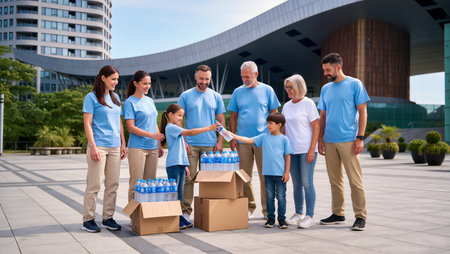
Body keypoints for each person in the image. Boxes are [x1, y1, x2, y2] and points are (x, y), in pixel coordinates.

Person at [318, 53, 370, 231]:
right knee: (335, 180)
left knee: (355, 180)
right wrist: (320, 139)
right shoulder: (325, 89)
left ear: (338, 67)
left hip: (349, 139)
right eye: (324, 69)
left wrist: (360, 137)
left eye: (328, 69)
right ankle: (338, 213)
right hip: (329, 140)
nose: (325, 73)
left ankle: (360, 216)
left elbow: (363, 112)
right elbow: (323, 116)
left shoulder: (355, 84)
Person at [228, 61, 280, 219]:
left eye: (247, 76)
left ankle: (268, 211)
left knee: (266, 177)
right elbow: (233, 116)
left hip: (264, 140)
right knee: (244, 176)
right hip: (243, 140)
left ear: (256, 74)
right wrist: (232, 137)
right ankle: (249, 207)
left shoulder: (267, 90)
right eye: (242, 76)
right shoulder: (237, 92)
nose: (244, 79)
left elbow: (275, 113)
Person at [177, 64, 226, 223]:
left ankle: (209, 211)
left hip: (210, 144)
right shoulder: (185, 96)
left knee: (209, 179)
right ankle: (185, 212)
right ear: (195, 77)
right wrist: (183, 140)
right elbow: (178, 120)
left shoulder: (216, 96)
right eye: (201, 78)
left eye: (207, 79)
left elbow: (221, 120)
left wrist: (220, 141)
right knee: (188, 178)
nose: (204, 81)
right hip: (190, 144)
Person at [81, 65, 127, 233]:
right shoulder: (91, 98)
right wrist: (93, 146)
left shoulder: (115, 99)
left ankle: (108, 217)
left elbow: (119, 123)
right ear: (103, 78)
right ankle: (88, 219)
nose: (116, 82)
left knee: (112, 184)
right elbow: (87, 123)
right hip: (99, 145)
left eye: (117, 79)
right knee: (94, 184)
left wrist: (123, 143)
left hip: (115, 146)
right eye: (113, 79)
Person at [160, 104, 219, 229]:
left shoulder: (175, 127)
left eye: (182, 116)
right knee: (174, 192)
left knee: (180, 192)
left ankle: (180, 215)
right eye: (179, 115)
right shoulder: (171, 127)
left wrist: (186, 166)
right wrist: (209, 128)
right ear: (170, 115)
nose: (181, 118)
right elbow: (191, 132)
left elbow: (181, 149)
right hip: (174, 164)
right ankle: (174, 217)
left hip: (180, 164)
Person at [229, 113, 292, 229]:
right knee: (269, 196)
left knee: (281, 197)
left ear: (279, 125)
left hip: (280, 175)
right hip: (267, 173)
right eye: (268, 123)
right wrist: (234, 136)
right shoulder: (264, 137)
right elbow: (248, 140)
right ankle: (270, 218)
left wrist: (287, 172)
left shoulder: (284, 140)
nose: (268, 125)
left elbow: (288, 156)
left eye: (271, 124)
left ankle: (282, 219)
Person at [281, 74, 320, 229]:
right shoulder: (286, 106)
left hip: (306, 150)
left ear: (299, 87)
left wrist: (312, 149)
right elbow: (284, 128)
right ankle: (299, 214)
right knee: (296, 184)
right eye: (287, 87)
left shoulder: (308, 104)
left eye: (291, 87)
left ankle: (310, 216)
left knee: (306, 183)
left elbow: (316, 126)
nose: (288, 90)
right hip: (292, 150)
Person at [124, 70, 165, 202]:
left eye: (149, 83)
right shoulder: (130, 102)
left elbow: (154, 123)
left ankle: (146, 216)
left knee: (150, 183)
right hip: (137, 148)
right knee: (136, 183)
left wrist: (158, 143)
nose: (147, 86)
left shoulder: (150, 100)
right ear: (136, 83)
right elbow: (130, 127)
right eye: (144, 83)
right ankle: (134, 217)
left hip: (152, 147)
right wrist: (151, 135)